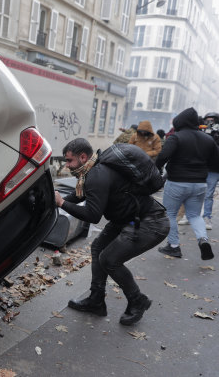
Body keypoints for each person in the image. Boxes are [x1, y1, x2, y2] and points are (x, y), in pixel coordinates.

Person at [55, 138, 169, 326]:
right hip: (127, 219)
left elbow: (92, 215)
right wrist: (57, 201)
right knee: (98, 248)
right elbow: (81, 194)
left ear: (83, 157)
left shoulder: (96, 175)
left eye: (69, 161)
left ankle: (138, 300)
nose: (67, 166)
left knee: (109, 259)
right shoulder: (93, 171)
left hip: (151, 222)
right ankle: (96, 300)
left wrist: (62, 204)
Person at [156, 107, 219, 260]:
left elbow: (162, 157)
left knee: (169, 213)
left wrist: (157, 169)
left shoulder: (176, 137)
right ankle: (202, 239)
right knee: (194, 215)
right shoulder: (208, 139)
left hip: (177, 182)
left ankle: (174, 246)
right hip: (199, 184)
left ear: (180, 122)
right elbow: (215, 161)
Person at [202, 112, 219, 230]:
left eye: (212, 120)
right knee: (207, 194)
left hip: (215, 167)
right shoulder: (204, 133)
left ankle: (207, 217)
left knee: (208, 194)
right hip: (209, 167)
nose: (210, 122)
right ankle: (206, 217)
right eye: (207, 120)